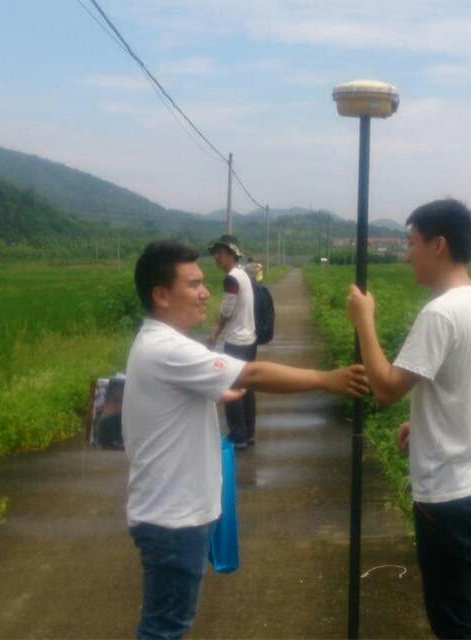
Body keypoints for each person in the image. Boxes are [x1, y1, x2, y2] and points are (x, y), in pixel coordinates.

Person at [123, 240, 368, 640]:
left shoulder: (157, 343)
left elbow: (170, 397)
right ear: (161, 295)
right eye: (194, 285)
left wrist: (210, 393)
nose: (205, 293)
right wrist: (328, 379)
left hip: (171, 513)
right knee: (164, 629)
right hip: (173, 519)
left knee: (167, 624)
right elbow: (252, 374)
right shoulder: (168, 348)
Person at [345, 198, 471, 640]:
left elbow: (385, 389)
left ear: (438, 245)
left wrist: (364, 321)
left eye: (411, 243)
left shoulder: (441, 312)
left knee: (455, 623)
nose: (406, 255)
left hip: (451, 495)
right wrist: (424, 424)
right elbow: (467, 385)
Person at [205, 234, 257, 449]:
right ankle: (249, 433)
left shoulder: (231, 279)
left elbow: (227, 310)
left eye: (220, 253)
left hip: (236, 341)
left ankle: (238, 435)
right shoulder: (243, 274)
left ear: (231, 254)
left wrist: (214, 334)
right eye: (215, 253)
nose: (216, 257)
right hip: (249, 339)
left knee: (232, 385)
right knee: (248, 386)